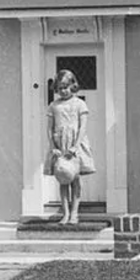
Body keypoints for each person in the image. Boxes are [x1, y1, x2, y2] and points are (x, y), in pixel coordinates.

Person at [43, 69, 95, 224]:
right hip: (60, 146)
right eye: (59, 88)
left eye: (66, 87)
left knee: (76, 179)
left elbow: (82, 127)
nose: (63, 91)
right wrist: (53, 146)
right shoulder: (54, 105)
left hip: (75, 146)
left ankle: (74, 213)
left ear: (73, 85)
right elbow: (49, 128)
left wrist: (76, 146)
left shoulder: (80, 104)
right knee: (63, 179)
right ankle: (65, 213)